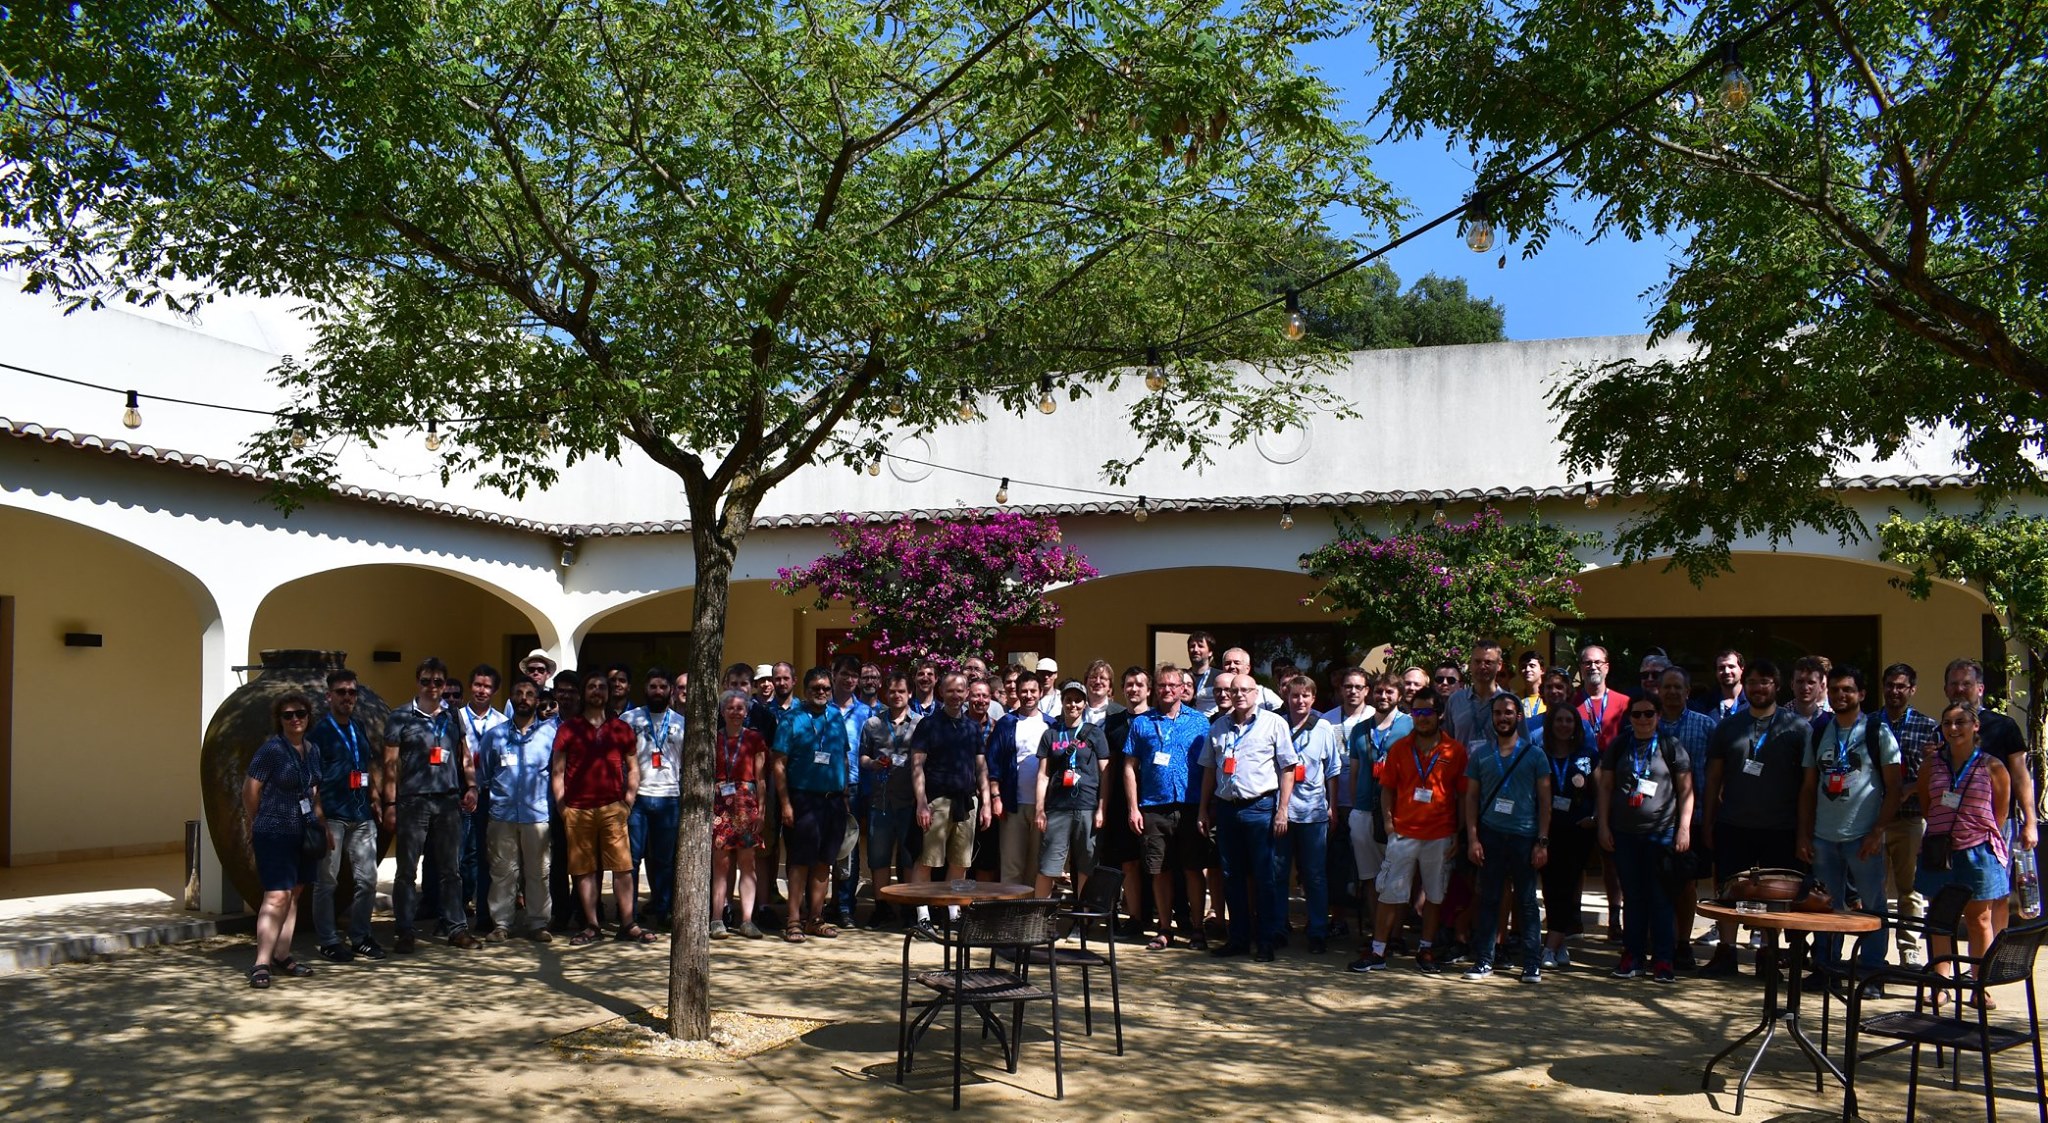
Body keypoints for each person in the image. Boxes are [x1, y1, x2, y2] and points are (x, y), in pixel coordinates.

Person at [1700, 658, 1811, 977]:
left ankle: (1767, 954)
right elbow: (1714, 779)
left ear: (1777, 686)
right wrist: (1708, 822)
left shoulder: (1797, 727)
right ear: (1744, 687)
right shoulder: (1728, 726)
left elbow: (1807, 785)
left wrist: (1803, 832)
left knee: (1774, 893)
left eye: (1765, 682)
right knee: (1728, 890)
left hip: (1780, 827)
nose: (1758, 688)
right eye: (1752, 682)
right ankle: (1726, 952)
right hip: (1733, 823)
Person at [1796, 666, 1902, 995]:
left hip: (1862, 837)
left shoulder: (1877, 731)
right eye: (1837, 689)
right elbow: (1809, 787)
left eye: (1849, 690)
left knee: (1871, 906)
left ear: (1861, 695)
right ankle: (1826, 968)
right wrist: (1803, 833)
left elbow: (1895, 787)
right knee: (1827, 906)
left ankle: (1871, 973)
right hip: (1824, 837)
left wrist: (1877, 831)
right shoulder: (1820, 731)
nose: (1842, 695)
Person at [1352, 685, 1465, 975]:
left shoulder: (1455, 750)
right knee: (1390, 892)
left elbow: (1463, 795)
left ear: (1439, 715)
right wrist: (1389, 823)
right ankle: (1378, 950)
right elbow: (1387, 788)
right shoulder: (1400, 748)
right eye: (1417, 711)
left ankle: (1425, 949)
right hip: (1403, 833)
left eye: (1428, 711)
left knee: (1434, 895)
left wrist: (1459, 832)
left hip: (1440, 834)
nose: (1423, 717)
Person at [383, 657, 481, 953]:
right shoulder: (400, 716)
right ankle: (405, 930)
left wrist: (472, 785)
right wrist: (390, 803)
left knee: (451, 869)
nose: (432, 687)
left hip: (448, 800)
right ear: (418, 682)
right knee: (407, 870)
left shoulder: (453, 716)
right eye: (426, 681)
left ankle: (456, 928)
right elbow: (390, 764)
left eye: (438, 682)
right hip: (413, 802)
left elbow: (464, 753)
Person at [1916, 703, 2012, 995]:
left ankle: (1979, 985)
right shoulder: (1932, 765)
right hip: (1939, 851)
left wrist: (1970, 831)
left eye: (1960, 722)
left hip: (1977, 851)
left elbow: (2000, 814)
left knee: (1979, 919)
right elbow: (1926, 805)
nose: (1953, 729)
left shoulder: (1992, 766)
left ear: (1975, 726)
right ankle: (1940, 983)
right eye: (1947, 723)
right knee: (1939, 917)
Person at [1200, 673, 1295, 961]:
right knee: (1232, 877)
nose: (1239, 694)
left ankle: (1265, 940)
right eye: (1234, 690)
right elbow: (1208, 770)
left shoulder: (1274, 723)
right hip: (1227, 809)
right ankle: (1238, 938)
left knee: (1265, 877)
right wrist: (1204, 809)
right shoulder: (1218, 727)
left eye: (1245, 690)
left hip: (1260, 808)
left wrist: (1282, 809)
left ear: (1256, 693)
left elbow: (1287, 768)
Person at [1598, 697, 1694, 983]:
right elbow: (1605, 787)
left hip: (1661, 833)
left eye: (1648, 713)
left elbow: (1686, 790)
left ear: (1659, 714)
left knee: (1661, 898)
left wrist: (1684, 829)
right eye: (1637, 714)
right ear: (1629, 717)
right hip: (1625, 834)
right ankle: (1632, 955)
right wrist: (1602, 825)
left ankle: (1663, 960)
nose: (1642, 719)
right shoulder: (1619, 745)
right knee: (1633, 897)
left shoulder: (1671, 745)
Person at [553, 670, 648, 946]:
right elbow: (557, 771)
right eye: (592, 686)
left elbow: (633, 768)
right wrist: (562, 807)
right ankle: (592, 925)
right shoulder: (569, 728)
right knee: (583, 870)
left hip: (613, 809)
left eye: (602, 687)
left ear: (608, 693)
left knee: (622, 868)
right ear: (584, 693)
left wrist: (627, 802)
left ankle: (628, 923)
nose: (597, 691)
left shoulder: (621, 728)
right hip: (577, 809)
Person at [1462, 693, 1551, 983]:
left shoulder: (1535, 755)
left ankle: (1531, 964)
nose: (1503, 718)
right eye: (1498, 713)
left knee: (1526, 902)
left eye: (1509, 713)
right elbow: (1472, 798)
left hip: (1525, 836)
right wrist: (1473, 838)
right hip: (1491, 835)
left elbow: (1545, 801)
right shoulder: (1481, 755)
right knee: (1488, 898)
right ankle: (1484, 961)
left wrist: (1542, 841)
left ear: (1519, 717)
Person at [1126, 663, 1211, 951]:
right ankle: (1164, 928)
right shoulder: (1142, 723)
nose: (1167, 690)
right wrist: (1133, 808)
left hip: (1190, 805)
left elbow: (1210, 766)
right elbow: (1129, 767)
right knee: (1159, 869)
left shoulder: (1200, 722)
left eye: (1173, 685)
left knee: (1192, 868)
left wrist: (1205, 807)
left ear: (1183, 688)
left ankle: (1197, 929)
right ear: (1155, 688)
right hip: (1153, 806)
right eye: (1162, 685)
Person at [1943, 657, 2040, 913]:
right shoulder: (1942, 730)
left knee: (1996, 896)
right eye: (1954, 684)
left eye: (1966, 683)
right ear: (1946, 689)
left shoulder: (2003, 726)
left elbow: (2021, 776)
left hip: (1996, 825)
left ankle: (1994, 952)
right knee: (1953, 898)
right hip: (1953, 827)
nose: (1959, 689)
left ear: (1980, 688)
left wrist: (2030, 823)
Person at [244, 692, 326, 988]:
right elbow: (250, 790)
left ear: (308, 717)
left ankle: (282, 953)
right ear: (279, 720)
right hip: (275, 831)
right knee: (276, 895)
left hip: (304, 832)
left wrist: (321, 824)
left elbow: (314, 791)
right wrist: (259, 821)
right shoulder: (272, 751)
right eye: (288, 715)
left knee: (295, 894)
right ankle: (261, 962)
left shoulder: (312, 750)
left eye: (300, 714)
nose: (295, 720)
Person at [772, 667, 853, 942]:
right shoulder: (791, 719)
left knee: (824, 862)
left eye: (826, 688)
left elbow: (842, 757)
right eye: (816, 688)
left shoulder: (836, 718)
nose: (821, 692)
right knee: (799, 862)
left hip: (833, 801)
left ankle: (815, 918)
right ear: (805, 690)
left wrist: (844, 795)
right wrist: (785, 804)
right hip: (803, 799)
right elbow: (779, 764)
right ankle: (794, 919)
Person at [308, 669, 382, 963]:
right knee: (327, 882)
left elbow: (365, 766)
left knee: (368, 880)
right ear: (329, 696)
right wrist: (320, 818)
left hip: (362, 814)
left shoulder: (358, 727)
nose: (347, 697)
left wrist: (375, 798)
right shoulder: (319, 733)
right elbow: (312, 780)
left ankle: (360, 936)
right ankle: (328, 940)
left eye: (352, 692)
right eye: (341, 692)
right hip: (334, 816)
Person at [910, 672, 994, 923]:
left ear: (966, 693)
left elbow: (981, 768)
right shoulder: (928, 725)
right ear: (941, 693)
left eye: (960, 691)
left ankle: (953, 912)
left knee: (961, 862)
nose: (956, 696)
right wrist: (922, 803)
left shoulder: (971, 727)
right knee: (927, 860)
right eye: (950, 691)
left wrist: (986, 804)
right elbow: (916, 766)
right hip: (936, 802)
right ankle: (923, 915)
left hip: (966, 803)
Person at [478, 679, 555, 942]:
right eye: (519, 693)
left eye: (530, 694)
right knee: (502, 872)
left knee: (539, 872)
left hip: (537, 815)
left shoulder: (551, 735)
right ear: (511, 698)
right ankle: (502, 924)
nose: (524, 698)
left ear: (537, 700)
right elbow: (485, 774)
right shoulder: (495, 736)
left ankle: (537, 923)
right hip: (502, 815)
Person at [1654, 666, 1719, 968]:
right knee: (1655, 883)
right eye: (1666, 687)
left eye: (1677, 687)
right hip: (1652, 820)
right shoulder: (1646, 724)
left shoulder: (1706, 726)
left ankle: (1683, 943)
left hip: (1692, 819)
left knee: (1686, 884)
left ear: (1687, 692)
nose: (1671, 692)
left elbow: (1716, 775)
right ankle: (1659, 942)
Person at [1877, 662, 1940, 966]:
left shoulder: (1928, 727)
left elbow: (1936, 773)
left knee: (1910, 891)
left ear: (1912, 690)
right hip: (1874, 820)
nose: (1894, 691)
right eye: (1890, 685)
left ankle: (1909, 949)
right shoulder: (1870, 723)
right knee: (1872, 889)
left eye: (1901, 686)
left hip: (1910, 818)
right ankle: (1873, 950)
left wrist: (1912, 787)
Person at [1536, 700, 1599, 970]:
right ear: (1551, 725)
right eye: (1559, 720)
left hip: (1578, 831)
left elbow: (1602, 791)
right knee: (1550, 888)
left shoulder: (1588, 756)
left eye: (1569, 721)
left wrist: (1595, 818)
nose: (1564, 725)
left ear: (1576, 725)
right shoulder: (1540, 754)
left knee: (1568, 886)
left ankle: (1550, 947)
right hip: (1547, 830)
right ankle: (1558, 942)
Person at [1282, 675, 1343, 953]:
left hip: (1313, 812)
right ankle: (1279, 926)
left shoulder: (1324, 728)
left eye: (1305, 696)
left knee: (1315, 876)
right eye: (1295, 696)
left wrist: (1332, 806)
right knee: (1279, 873)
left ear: (1313, 698)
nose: (1300, 701)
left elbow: (1332, 770)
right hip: (1282, 812)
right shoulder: (1277, 725)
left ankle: (1317, 929)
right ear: (1287, 697)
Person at [1347, 675, 1412, 929]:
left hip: (1397, 813)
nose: (1383, 696)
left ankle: (1394, 934)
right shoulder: (1360, 729)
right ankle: (1377, 934)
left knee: (1397, 877)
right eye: (1379, 692)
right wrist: (1354, 807)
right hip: (1363, 811)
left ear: (1399, 695)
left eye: (1389, 692)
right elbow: (1353, 773)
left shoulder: (1409, 726)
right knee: (1370, 877)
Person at [1034, 681, 1110, 899]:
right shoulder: (1050, 735)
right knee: (1048, 865)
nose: (1073, 704)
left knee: (1086, 865)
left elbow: (1106, 773)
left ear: (1085, 703)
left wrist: (1101, 808)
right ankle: (1040, 919)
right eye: (1068, 700)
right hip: (1057, 807)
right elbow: (1043, 775)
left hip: (1087, 806)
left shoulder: (1095, 734)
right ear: (1062, 702)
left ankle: (1082, 919)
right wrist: (1040, 809)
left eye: (1078, 700)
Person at [622, 667, 684, 930]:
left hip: (669, 797)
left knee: (664, 860)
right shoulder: (628, 719)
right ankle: (629, 912)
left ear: (670, 691)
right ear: (645, 690)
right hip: (637, 799)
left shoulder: (682, 722)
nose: (658, 691)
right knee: (632, 859)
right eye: (653, 687)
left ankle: (663, 909)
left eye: (662, 687)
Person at [860, 673, 921, 928]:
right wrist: (872, 763)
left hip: (909, 801)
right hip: (880, 801)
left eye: (902, 691)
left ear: (909, 694)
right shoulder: (872, 724)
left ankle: (907, 909)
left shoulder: (920, 723)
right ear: (886, 693)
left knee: (908, 858)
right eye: (893, 691)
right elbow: (862, 757)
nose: (897, 695)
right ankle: (882, 906)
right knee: (879, 857)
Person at [711, 690, 768, 939]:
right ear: (722, 712)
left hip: (747, 803)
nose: (735, 712)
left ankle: (746, 920)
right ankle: (716, 919)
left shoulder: (755, 738)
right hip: (720, 804)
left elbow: (761, 778)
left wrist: (761, 812)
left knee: (748, 863)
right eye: (730, 708)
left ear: (746, 712)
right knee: (721, 864)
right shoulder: (713, 739)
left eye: (740, 708)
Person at [1323, 667, 1376, 933]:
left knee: (1367, 866)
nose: (1353, 691)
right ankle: (1338, 918)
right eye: (1348, 686)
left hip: (1366, 803)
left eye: (1358, 687)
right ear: (1340, 689)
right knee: (1337, 864)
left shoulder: (1375, 719)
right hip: (1336, 803)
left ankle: (1370, 921)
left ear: (1367, 691)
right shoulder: (1327, 719)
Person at [1100, 666, 1151, 936]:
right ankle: (1133, 917)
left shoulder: (1157, 720)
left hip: (1154, 800)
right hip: (1120, 801)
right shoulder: (1113, 722)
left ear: (1148, 690)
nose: (1133, 689)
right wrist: (1104, 805)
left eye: (1139, 685)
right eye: (1129, 684)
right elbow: (1107, 768)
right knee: (1126, 861)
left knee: (1154, 863)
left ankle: (1154, 915)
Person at [454, 663, 506, 926]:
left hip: (489, 796)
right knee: (460, 855)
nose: (481, 691)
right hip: (461, 794)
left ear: (494, 690)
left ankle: (484, 914)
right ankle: (457, 913)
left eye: (487, 686)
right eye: (477, 685)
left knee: (486, 856)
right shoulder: (455, 718)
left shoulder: (502, 723)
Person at [988, 672, 1050, 886]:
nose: (1029, 695)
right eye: (1024, 691)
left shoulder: (1051, 725)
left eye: (1033, 691)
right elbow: (993, 763)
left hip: (1043, 807)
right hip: (1012, 804)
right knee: (1012, 865)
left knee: (1036, 865)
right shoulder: (1006, 723)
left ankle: (1029, 916)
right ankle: (1009, 916)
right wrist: (996, 796)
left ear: (1041, 692)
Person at [826, 655, 872, 929]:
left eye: (854, 675)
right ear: (834, 674)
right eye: (844, 673)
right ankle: (822, 904)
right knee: (825, 849)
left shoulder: (867, 713)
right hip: (824, 786)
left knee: (848, 850)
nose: (849, 679)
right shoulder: (822, 708)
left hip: (854, 787)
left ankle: (844, 907)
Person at [1445, 640, 1511, 744]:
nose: (1482, 666)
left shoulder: (1510, 703)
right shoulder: (1455, 701)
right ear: (1470, 663)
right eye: (1477, 661)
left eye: (1488, 662)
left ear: (1499, 665)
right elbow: (1447, 743)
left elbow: (1522, 746)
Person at [1574, 646, 1627, 750]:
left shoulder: (1624, 703)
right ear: (1581, 668)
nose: (1593, 667)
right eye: (1588, 663)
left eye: (1598, 662)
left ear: (1606, 668)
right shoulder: (1570, 703)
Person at [1219, 647, 1284, 711]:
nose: (1232, 666)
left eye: (1237, 663)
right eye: (1227, 663)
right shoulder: (1214, 693)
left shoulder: (1263, 694)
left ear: (1247, 668)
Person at [1692, 649, 1747, 721]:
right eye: (1721, 668)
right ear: (1716, 672)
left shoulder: (1753, 700)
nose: (1727, 671)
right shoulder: (1703, 703)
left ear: (1742, 669)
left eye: (1731, 666)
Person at [1187, 632, 1220, 715]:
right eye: (1192, 646)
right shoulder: (1183, 677)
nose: (1195, 650)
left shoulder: (1220, 677)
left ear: (1210, 652)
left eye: (1200, 646)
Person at [1514, 651, 1546, 721]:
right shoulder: (1515, 700)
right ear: (1519, 671)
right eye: (1524, 666)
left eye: (1532, 666)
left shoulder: (1549, 697)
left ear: (1542, 670)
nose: (1527, 669)